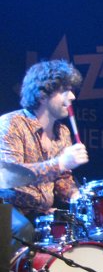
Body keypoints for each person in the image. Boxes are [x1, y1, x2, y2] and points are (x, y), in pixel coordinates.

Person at [0, 60, 88, 251]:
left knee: (79, 231)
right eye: (65, 90)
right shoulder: (11, 124)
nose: (72, 96)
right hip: (7, 209)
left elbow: (62, 180)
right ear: (42, 94)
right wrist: (60, 163)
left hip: (38, 213)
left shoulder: (62, 131)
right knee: (23, 229)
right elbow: (9, 176)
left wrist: (77, 196)